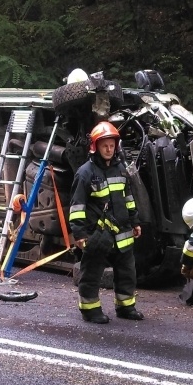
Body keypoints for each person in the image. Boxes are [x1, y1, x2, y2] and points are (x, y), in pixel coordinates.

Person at [69, 121, 143, 324]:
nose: (109, 149)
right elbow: (77, 206)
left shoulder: (121, 169)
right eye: (105, 146)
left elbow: (128, 198)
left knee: (127, 272)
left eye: (112, 145)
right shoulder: (85, 172)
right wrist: (80, 234)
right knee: (92, 273)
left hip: (123, 231)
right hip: (98, 233)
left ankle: (126, 307)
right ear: (95, 147)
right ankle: (90, 310)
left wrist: (135, 221)